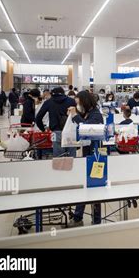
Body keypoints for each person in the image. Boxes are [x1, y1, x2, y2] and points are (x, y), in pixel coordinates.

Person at [68, 91, 104, 226]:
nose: (78, 105)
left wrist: (76, 116)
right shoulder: (88, 113)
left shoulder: (96, 115)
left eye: (79, 103)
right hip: (87, 154)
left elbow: (86, 129)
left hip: (95, 157)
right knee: (84, 186)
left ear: (85, 102)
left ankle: (95, 219)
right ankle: (79, 217)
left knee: (94, 186)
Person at [35, 87, 76, 157]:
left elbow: (38, 118)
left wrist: (43, 129)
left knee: (58, 159)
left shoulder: (48, 102)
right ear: (63, 93)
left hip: (56, 132)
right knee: (72, 157)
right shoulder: (71, 101)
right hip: (70, 132)